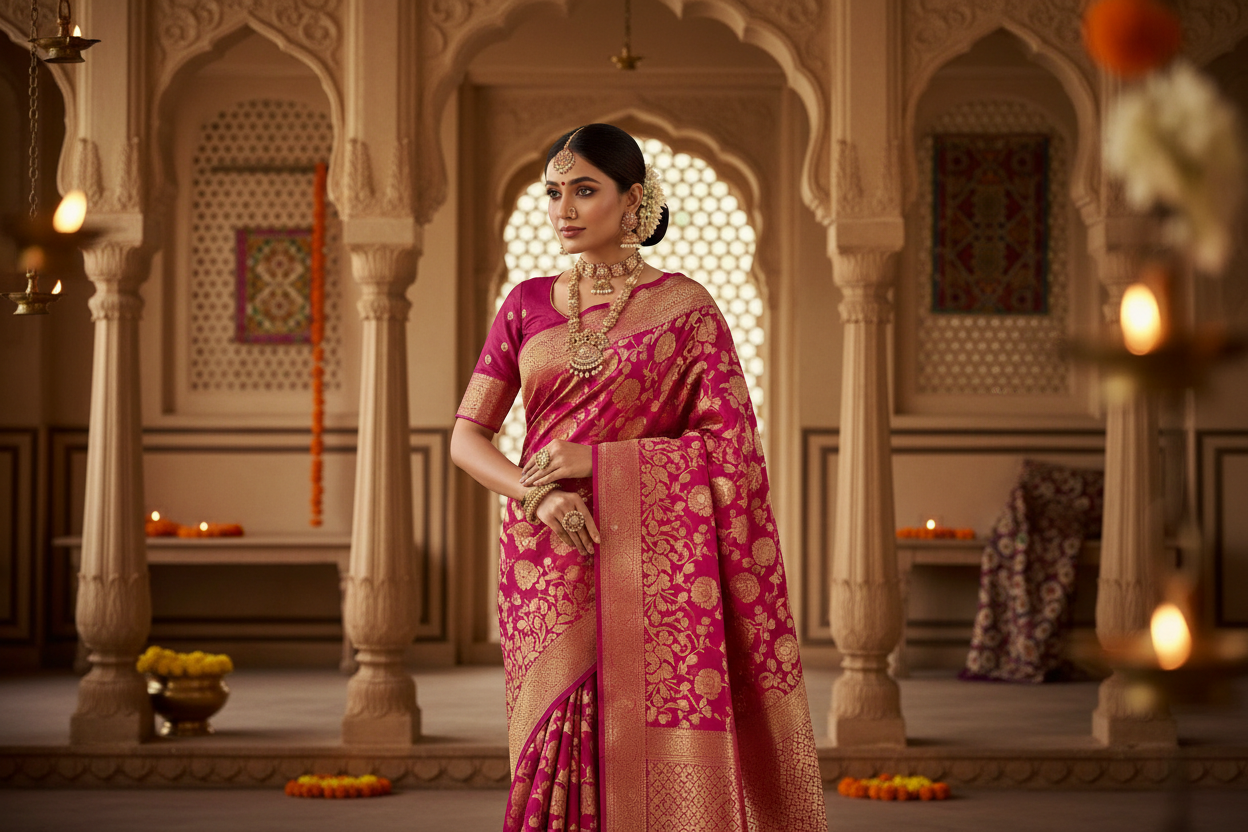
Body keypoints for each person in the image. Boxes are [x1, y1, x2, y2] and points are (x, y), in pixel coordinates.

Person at [451, 123, 826, 831]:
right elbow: (466, 439)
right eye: (554, 192)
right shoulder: (526, 303)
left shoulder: (685, 310)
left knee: (633, 730)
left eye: (584, 190)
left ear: (634, 203)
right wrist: (537, 492)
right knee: (553, 741)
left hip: (648, 556)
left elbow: (733, 452)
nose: (563, 208)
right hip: (545, 559)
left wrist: (598, 464)